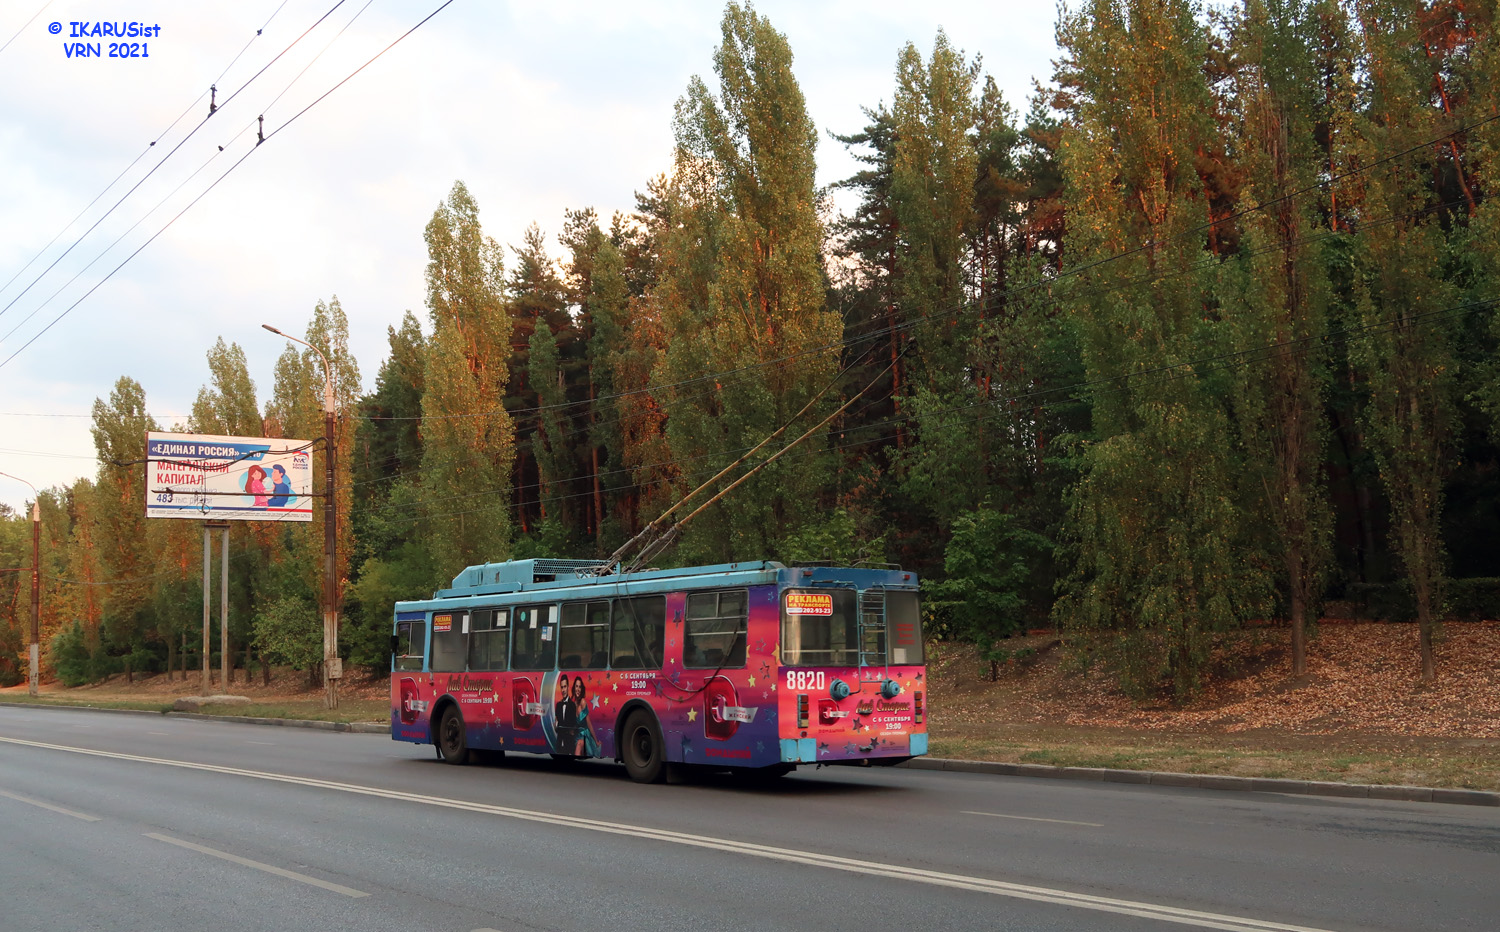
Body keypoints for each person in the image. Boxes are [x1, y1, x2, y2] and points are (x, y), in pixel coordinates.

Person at [572, 676, 600, 758]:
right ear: (574, 688)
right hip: (576, 736)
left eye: (580, 687)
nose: (578, 689)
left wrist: (596, 741)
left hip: (585, 736)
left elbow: (589, 723)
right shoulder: (573, 704)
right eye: (576, 686)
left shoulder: (583, 702)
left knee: (579, 744)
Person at [553, 673, 578, 753]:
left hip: (569, 744)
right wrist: (556, 726)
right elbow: (556, 724)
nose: (563, 690)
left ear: (568, 687)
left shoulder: (572, 705)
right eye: (561, 687)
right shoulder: (558, 705)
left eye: (564, 687)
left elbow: (573, 726)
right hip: (559, 743)